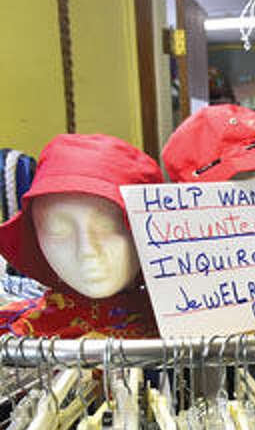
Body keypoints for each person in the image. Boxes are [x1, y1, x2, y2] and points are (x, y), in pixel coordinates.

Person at [0, 133, 163, 337]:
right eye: (59, 232)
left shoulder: (192, 332)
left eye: (108, 227)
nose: (87, 250)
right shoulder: (16, 332)